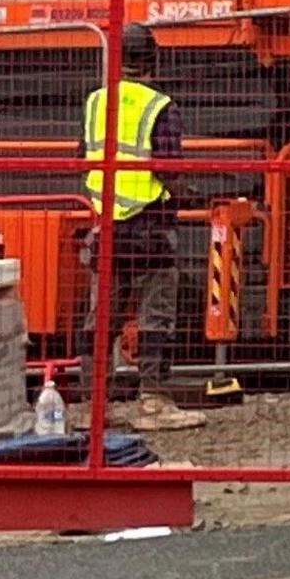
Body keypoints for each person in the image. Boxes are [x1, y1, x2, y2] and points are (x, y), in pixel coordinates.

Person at [82, 23, 198, 430]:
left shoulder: (96, 102)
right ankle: (153, 403)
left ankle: (94, 407)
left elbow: (85, 156)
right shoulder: (159, 106)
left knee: (102, 318)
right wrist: (192, 194)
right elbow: (166, 169)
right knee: (155, 316)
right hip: (150, 226)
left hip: (106, 225)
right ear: (154, 60)